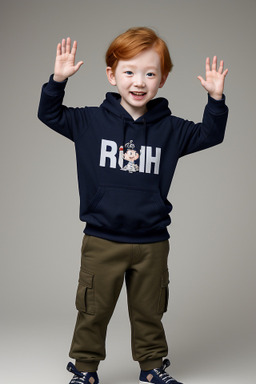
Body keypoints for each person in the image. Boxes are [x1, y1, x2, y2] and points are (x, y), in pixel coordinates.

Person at [38, 27, 228, 384]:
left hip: (152, 242)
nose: (139, 82)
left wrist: (216, 101)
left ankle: (152, 366)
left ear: (163, 79)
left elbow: (210, 134)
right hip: (102, 239)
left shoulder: (171, 129)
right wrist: (57, 81)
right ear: (112, 75)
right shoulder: (90, 122)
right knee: (93, 309)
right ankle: (84, 369)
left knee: (150, 310)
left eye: (150, 73)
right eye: (129, 72)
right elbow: (50, 114)